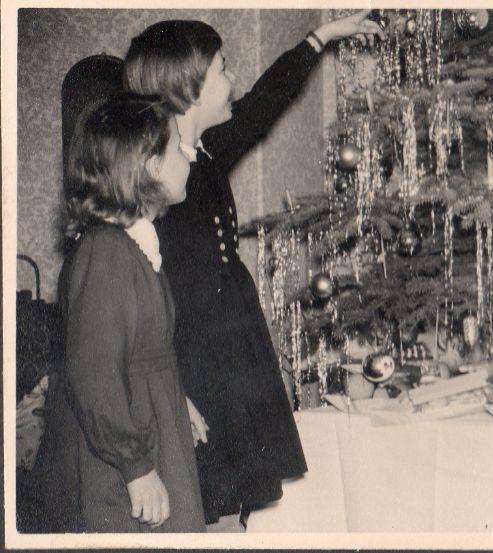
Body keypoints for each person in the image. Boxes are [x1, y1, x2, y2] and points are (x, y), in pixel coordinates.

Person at [122, 11, 384, 526]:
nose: (233, 80)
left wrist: (319, 39)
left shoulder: (205, 149)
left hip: (230, 340)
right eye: (222, 69)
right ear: (188, 88)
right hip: (193, 350)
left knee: (236, 487)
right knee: (203, 488)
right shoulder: (154, 172)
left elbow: (265, 102)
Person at [33, 93, 206, 532]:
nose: (189, 158)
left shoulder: (133, 245)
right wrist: (137, 469)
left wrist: (177, 400)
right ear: (149, 167)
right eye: (180, 149)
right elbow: (94, 373)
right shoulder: (106, 253)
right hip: (117, 462)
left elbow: (138, 353)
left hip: (150, 431)